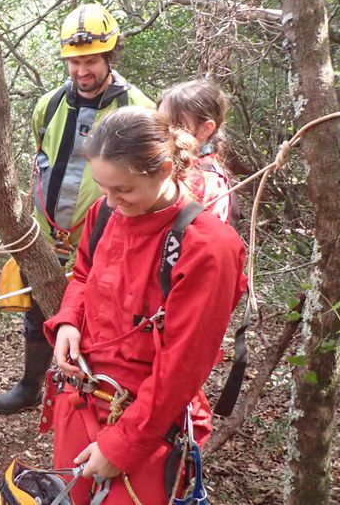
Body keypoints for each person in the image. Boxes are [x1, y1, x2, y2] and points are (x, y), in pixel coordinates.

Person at [42, 106, 246, 504]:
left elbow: (182, 365)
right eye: (103, 187)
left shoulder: (208, 248)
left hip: (150, 423)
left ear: (165, 168)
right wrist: (69, 322)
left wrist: (123, 444)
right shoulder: (105, 213)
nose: (113, 201)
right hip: (83, 399)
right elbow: (83, 273)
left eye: (124, 190)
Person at [0, 3, 156, 415]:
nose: (83, 71)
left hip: (107, 238)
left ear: (110, 55)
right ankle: (31, 387)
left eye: (92, 61)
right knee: (40, 312)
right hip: (47, 234)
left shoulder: (139, 111)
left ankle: (92, 397)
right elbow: (42, 160)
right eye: (75, 62)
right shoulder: (49, 105)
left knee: (100, 322)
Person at [159, 79, 236, 224]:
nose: (165, 132)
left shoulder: (208, 182)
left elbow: (207, 237)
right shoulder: (170, 162)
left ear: (205, 129)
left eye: (175, 125)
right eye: (160, 123)